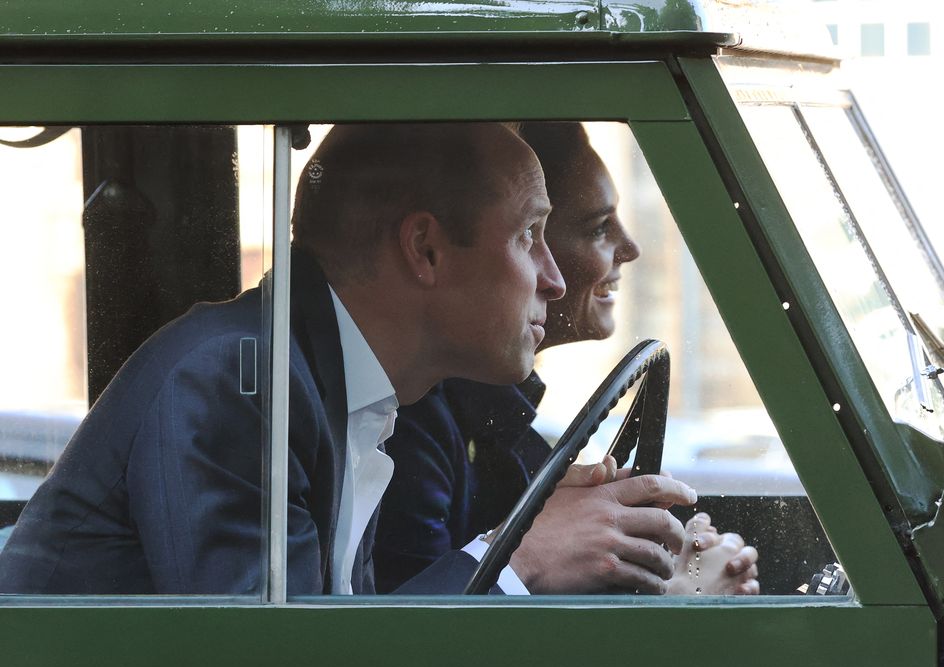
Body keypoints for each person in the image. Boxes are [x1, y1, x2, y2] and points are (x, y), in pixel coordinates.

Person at [0, 122, 699, 596]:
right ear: (425, 249)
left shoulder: (353, 391)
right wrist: (518, 556)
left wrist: (528, 539)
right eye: (529, 236)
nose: (554, 279)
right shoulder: (236, 382)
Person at [375, 122, 759, 595]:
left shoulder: (488, 414)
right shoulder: (409, 424)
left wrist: (643, 560)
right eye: (597, 227)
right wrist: (679, 598)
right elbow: (421, 640)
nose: (631, 248)